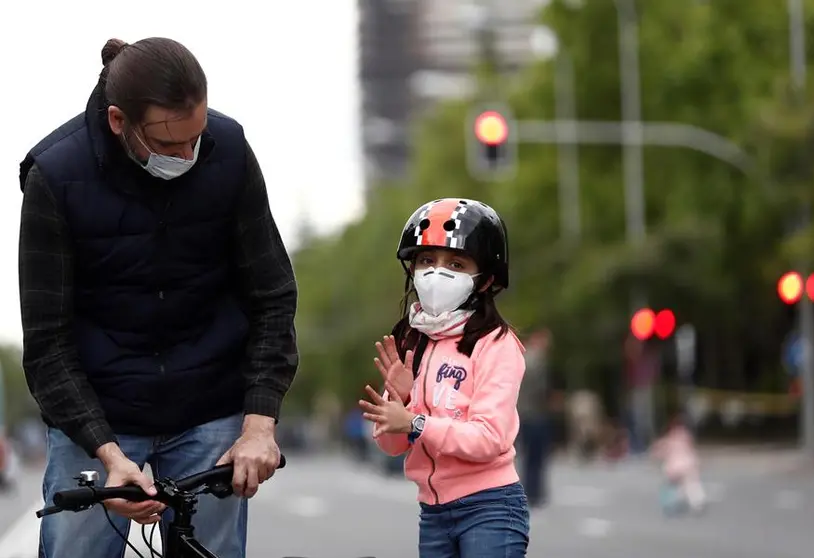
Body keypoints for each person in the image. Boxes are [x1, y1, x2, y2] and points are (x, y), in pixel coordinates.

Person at [18, 37, 298, 558]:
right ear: (120, 122)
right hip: (96, 413)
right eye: (170, 146)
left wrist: (260, 422)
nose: (189, 156)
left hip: (209, 404)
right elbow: (47, 343)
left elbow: (272, 294)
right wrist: (105, 454)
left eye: (197, 138)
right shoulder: (53, 178)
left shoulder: (229, 150)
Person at [359, 198, 529, 558]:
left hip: (490, 509)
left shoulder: (496, 344)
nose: (437, 273)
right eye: (426, 261)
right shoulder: (415, 341)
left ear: (485, 280)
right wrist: (401, 402)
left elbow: (490, 438)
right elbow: (392, 447)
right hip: (433, 513)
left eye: (455, 263)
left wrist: (416, 421)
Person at [517, 328, 553, 507]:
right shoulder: (537, 361)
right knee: (536, 456)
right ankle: (535, 492)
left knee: (528, 456)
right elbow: (541, 390)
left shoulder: (523, 358)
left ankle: (529, 491)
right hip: (535, 414)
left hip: (524, 413)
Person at [651, 414, 706, 515]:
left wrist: (656, 455)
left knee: (672, 486)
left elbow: (659, 451)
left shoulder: (668, 439)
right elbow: (691, 449)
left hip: (674, 466)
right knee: (692, 485)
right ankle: (697, 503)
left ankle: (670, 504)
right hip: (688, 464)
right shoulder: (685, 436)